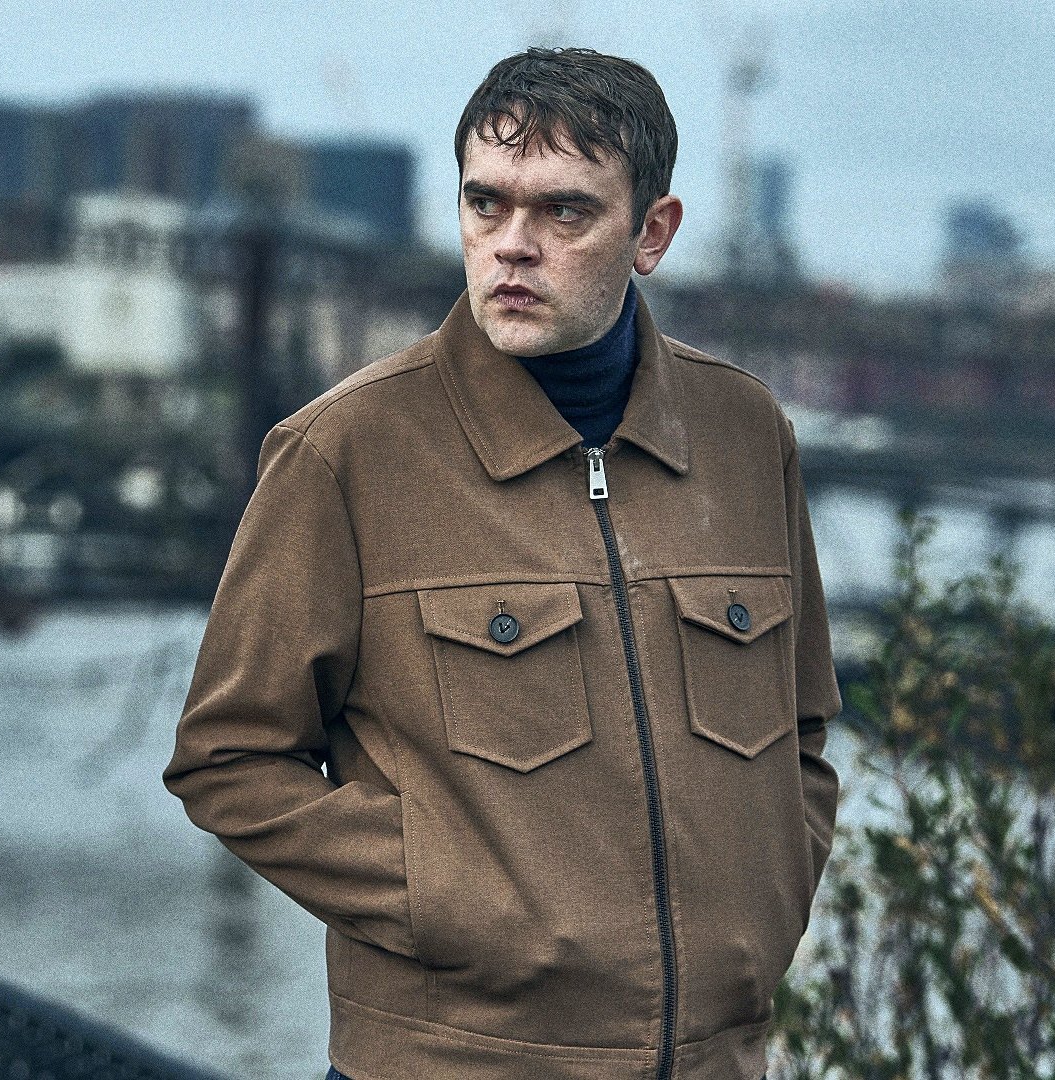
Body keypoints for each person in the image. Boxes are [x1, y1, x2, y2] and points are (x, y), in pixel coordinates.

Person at [164, 46, 841, 1080]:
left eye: (564, 212)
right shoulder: (346, 453)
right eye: (486, 204)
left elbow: (801, 734)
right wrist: (458, 901)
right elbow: (229, 758)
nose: (512, 246)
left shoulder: (745, 436)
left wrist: (765, 910)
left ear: (653, 232)